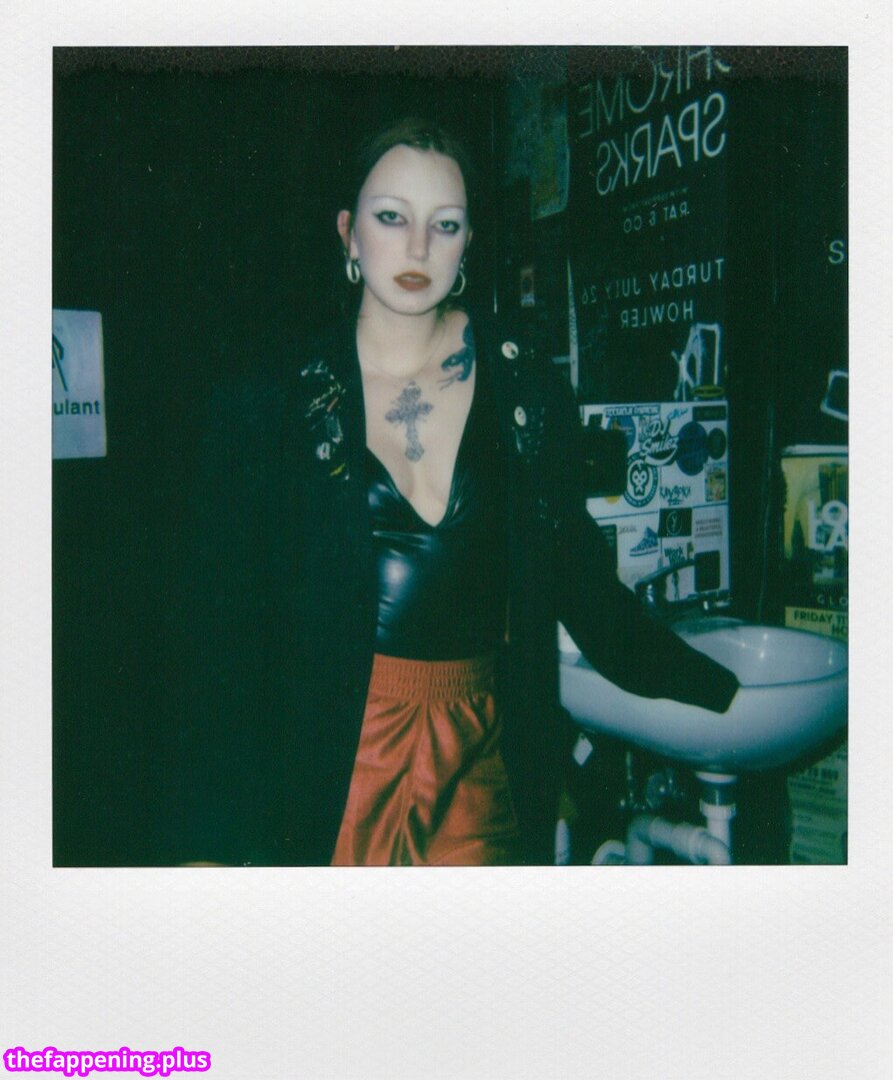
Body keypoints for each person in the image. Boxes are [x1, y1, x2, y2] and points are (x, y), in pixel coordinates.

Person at [162, 117, 739, 867]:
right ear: (348, 233)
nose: (417, 248)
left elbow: (580, 581)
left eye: (445, 224)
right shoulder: (269, 400)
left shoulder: (525, 388)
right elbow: (221, 636)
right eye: (390, 217)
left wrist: (720, 690)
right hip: (329, 761)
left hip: (477, 764)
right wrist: (207, 843)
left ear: (467, 243)